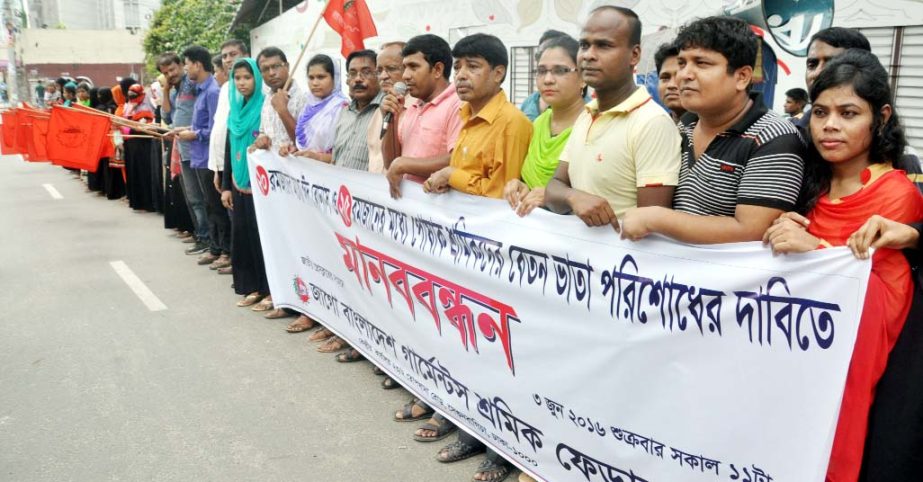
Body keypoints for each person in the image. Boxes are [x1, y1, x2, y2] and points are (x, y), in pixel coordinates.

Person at [761, 49, 923, 482]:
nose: (830, 125)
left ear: (881, 117)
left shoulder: (896, 195)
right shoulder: (803, 181)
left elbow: (882, 302)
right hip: (786, 350)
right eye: (821, 112)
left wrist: (812, 249)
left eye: (848, 113)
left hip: (846, 367)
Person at [427, 32, 532, 482]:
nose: (461, 76)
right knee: (468, 344)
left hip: (496, 259)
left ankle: (503, 449)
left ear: (498, 72)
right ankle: (474, 426)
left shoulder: (511, 123)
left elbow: (503, 195)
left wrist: (453, 176)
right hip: (462, 254)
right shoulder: (465, 116)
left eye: (472, 66)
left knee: (501, 356)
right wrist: (447, 176)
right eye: (457, 67)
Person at [619, 16, 805, 244]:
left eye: (701, 63)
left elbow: (751, 230)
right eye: (682, 63)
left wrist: (656, 219)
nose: (684, 75)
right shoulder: (682, 127)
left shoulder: (774, 137)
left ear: (742, 77)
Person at [543, 6, 680, 230]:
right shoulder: (587, 115)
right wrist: (573, 197)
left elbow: (651, 227)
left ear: (634, 55)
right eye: (584, 45)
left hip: (620, 263)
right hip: (573, 261)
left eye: (604, 45)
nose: (588, 55)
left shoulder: (651, 122)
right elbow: (554, 187)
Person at [307, 48, 385, 354]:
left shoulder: (387, 110)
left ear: (380, 74)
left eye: (367, 72)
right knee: (341, 273)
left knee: (366, 281)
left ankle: (362, 339)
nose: (358, 79)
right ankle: (342, 329)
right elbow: (337, 158)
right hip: (340, 209)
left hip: (370, 212)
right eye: (352, 73)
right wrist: (314, 158)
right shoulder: (344, 111)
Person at [270, 53, 349, 327]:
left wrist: (316, 157)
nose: (315, 83)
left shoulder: (341, 107)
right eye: (311, 77)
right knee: (310, 250)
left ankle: (334, 318)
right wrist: (292, 150)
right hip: (307, 188)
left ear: (334, 78)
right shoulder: (309, 108)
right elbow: (301, 140)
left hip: (330, 188)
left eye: (322, 77)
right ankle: (313, 309)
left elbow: (337, 152)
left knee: (331, 256)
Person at [247, 46, 311, 313]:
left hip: (299, 187)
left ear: (287, 65)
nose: (272, 73)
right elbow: (265, 133)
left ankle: (302, 302)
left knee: (301, 245)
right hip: (274, 187)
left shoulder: (303, 98)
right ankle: (283, 295)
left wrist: (283, 109)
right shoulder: (267, 98)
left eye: (276, 66)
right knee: (279, 241)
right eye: (266, 69)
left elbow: (303, 141)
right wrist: (261, 140)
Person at [503, 34, 586, 218]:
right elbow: (531, 184)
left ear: (582, 77)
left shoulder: (592, 126)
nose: (548, 79)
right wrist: (521, 187)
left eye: (560, 70)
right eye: (541, 71)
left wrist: (553, 197)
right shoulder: (539, 123)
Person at [381, 33, 463, 199]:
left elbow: (459, 160)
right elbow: (391, 163)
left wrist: (404, 164)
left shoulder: (458, 104)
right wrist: (390, 119)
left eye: (413, 67)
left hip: (438, 210)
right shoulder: (413, 106)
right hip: (410, 206)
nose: (405, 76)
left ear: (437, 70)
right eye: (404, 68)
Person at [221, 58, 272, 310]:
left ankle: (270, 290)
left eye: (247, 77)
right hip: (238, 181)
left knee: (263, 239)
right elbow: (230, 147)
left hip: (262, 185)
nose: (241, 83)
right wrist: (226, 185)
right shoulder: (235, 109)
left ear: (257, 78)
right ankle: (252, 286)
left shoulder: (265, 106)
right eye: (237, 78)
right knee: (243, 236)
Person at [174, 45, 229, 269]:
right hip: (198, 155)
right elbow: (201, 125)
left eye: (187, 64)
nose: (185, 69)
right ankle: (215, 248)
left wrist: (193, 134)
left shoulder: (214, 92)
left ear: (197, 64)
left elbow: (216, 129)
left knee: (216, 207)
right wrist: (185, 129)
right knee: (208, 205)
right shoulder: (201, 91)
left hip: (209, 157)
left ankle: (225, 250)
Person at [160, 52, 211, 257]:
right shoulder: (174, 91)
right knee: (192, 198)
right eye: (165, 73)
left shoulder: (192, 84)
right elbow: (165, 114)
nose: (170, 74)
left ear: (183, 65)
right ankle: (201, 234)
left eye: (173, 69)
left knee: (204, 198)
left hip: (198, 148)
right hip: (182, 150)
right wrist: (165, 89)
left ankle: (208, 239)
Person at [206, 39, 248, 274]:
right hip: (224, 163)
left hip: (243, 166)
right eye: (225, 56)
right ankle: (237, 262)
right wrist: (217, 168)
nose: (229, 60)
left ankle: (242, 265)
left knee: (241, 221)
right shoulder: (225, 89)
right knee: (231, 217)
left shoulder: (253, 89)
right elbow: (220, 128)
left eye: (233, 54)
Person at [795, 27, 872, 134]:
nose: (817, 73)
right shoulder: (790, 134)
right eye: (812, 65)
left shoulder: (878, 138)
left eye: (831, 64)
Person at [366, 41, 407, 174]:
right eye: (379, 71)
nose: (383, 76)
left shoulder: (418, 110)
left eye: (391, 68)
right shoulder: (380, 111)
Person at [122, 82, 158, 212]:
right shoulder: (130, 105)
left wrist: (135, 123)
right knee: (134, 172)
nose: (132, 98)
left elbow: (149, 123)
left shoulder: (147, 104)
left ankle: (147, 202)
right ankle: (136, 201)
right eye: (130, 95)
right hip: (131, 143)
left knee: (144, 172)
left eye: (134, 95)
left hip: (144, 144)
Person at [519, 29, 569, 121]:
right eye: (541, 53)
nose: (548, 79)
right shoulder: (530, 101)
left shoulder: (587, 109)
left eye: (559, 70)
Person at [654, 41, 685, 122]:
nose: (671, 85)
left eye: (679, 77)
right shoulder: (655, 128)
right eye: (665, 78)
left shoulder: (715, 131)